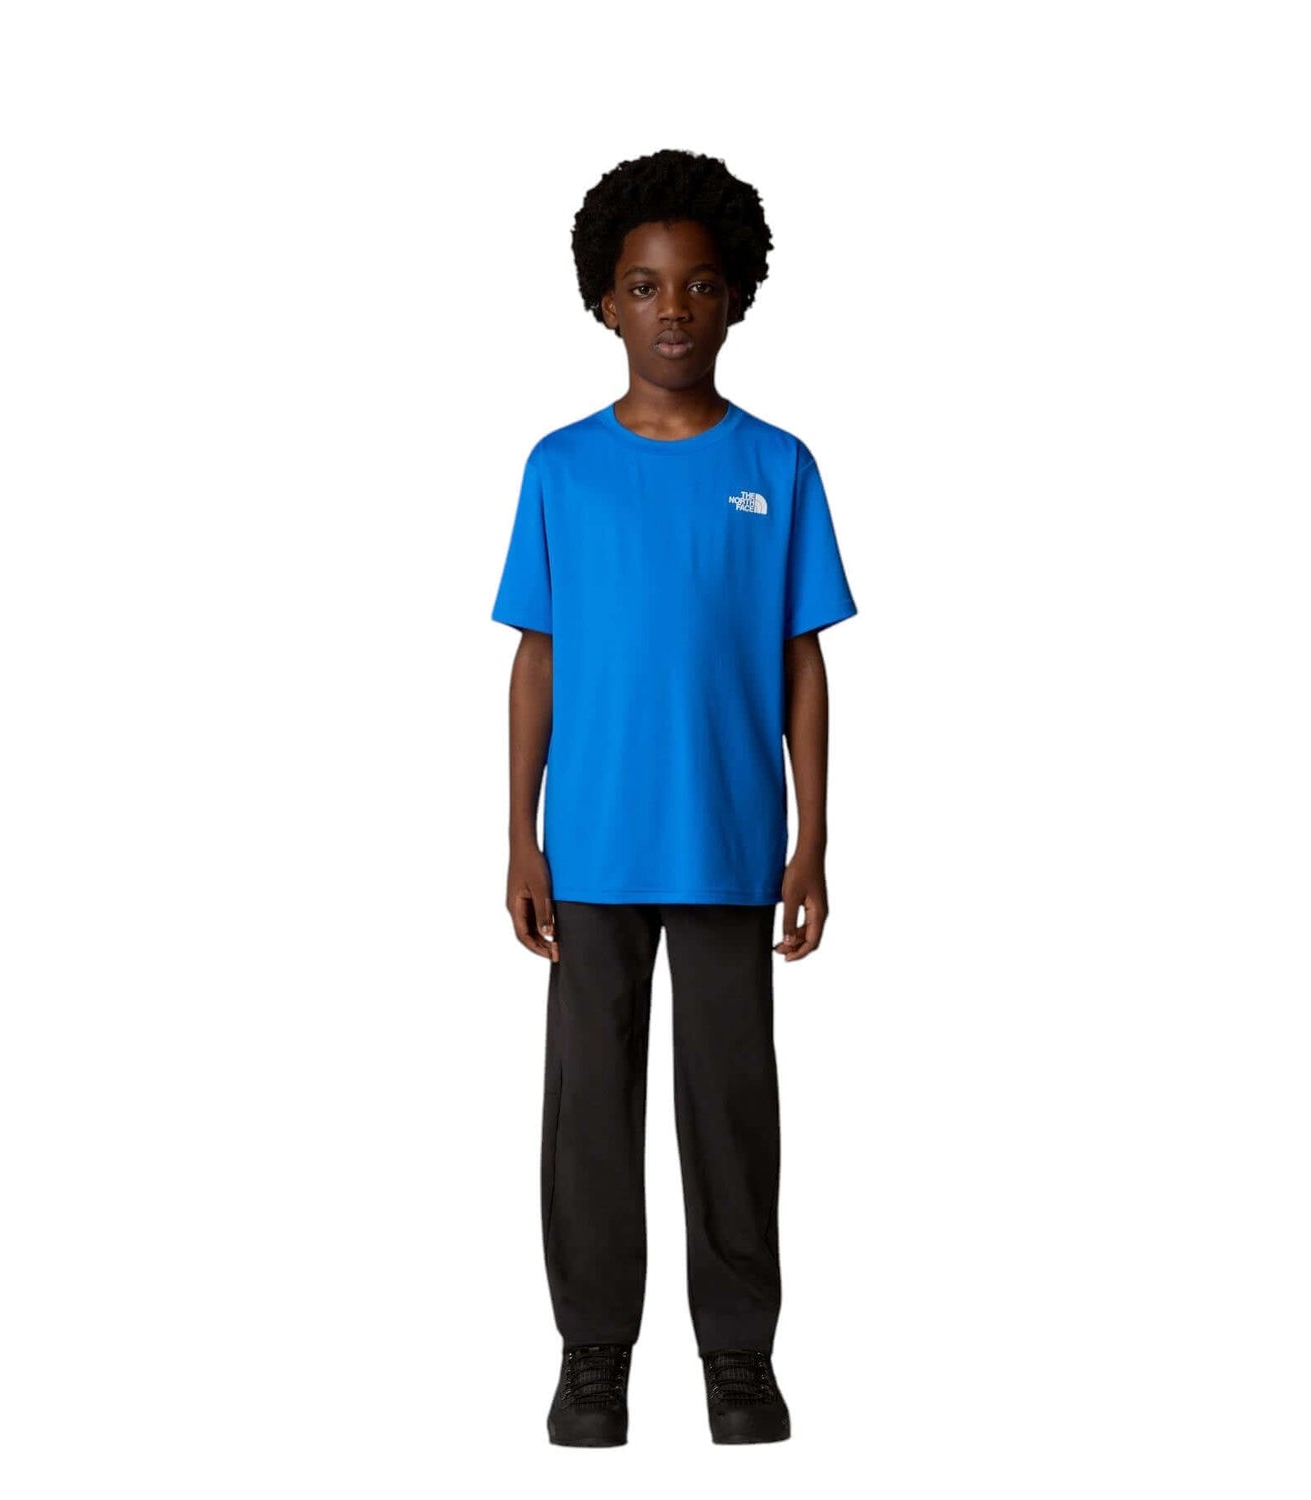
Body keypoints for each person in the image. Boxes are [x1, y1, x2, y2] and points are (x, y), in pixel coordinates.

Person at [489, 148, 858, 1447]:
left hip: (728, 843)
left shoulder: (778, 467)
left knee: (731, 1111)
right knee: (590, 1115)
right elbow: (537, 657)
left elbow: (800, 660)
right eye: (644, 287)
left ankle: (738, 1361)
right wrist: (519, 836)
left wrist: (812, 840)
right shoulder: (561, 468)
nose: (674, 311)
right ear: (604, 301)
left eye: (700, 286)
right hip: (589, 847)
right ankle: (592, 1356)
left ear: (737, 296)